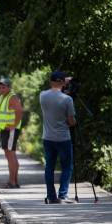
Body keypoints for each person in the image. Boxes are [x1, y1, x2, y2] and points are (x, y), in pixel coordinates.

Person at [40, 70, 76, 204]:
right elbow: (71, 122)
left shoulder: (42, 95)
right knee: (66, 166)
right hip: (63, 138)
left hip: (47, 137)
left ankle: (51, 197)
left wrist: (59, 83)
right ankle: (63, 195)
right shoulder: (67, 99)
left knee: (49, 166)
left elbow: (53, 89)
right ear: (63, 82)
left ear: (50, 82)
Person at [0, 78, 23, 188]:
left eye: (4, 87)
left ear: (9, 87)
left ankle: (11, 182)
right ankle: (15, 182)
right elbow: (2, 117)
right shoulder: (2, 98)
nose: (1, 90)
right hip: (5, 130)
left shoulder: (12, 97)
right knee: (11, 155)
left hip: (11, 130)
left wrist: (14, 125)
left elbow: (19, 111)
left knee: (10, 156)